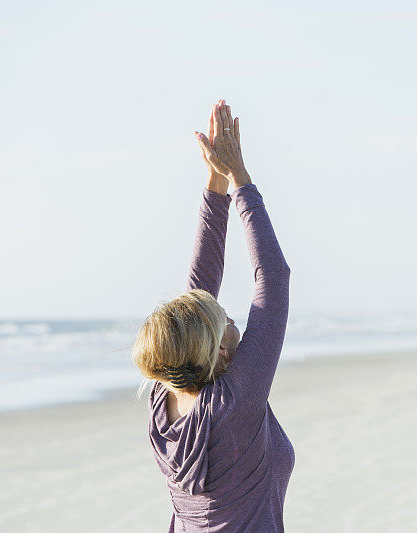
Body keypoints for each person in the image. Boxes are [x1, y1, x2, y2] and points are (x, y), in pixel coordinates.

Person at [132, 99, 294, 532]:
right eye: (219, 313)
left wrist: (214, 183)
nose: (223, 307)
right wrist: (240, 178)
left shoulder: (163, 397)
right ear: (220, 351)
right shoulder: (234, 403)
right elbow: (272, 279)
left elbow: (193, 304)